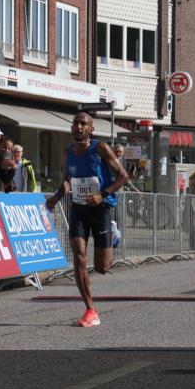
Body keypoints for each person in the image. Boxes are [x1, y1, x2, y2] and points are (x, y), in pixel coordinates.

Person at [46, 112, 128, 328]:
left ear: (91, 129)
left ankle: (112, 235)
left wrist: (102, 194)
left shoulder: (100, 149)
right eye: (75, 123)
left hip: (100, 210)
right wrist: (55, 198)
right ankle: (90, 309)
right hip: (79, 210)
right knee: (79, 257)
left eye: (83, 124)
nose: (78, 127)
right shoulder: (67, 153)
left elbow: (123, 176)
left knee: (103, 267)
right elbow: (66, 182)